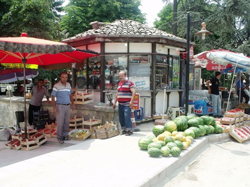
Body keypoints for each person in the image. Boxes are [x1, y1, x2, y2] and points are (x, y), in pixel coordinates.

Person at [51, 72, 75, 144]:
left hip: (67, 105)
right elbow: (53, 97)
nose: (64, 79)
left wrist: (73, 104)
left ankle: (65, 136)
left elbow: (70, 95)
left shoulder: (68, 85)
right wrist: (54, 108)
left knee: (66, 122)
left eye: (66, 77)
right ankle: (60, 137)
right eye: (63, 77)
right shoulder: (56, 86)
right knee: (60, 122)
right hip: (60, 106)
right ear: (60, 78)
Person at [113, 71, 136, 136]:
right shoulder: (119, 83)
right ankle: (124, 129)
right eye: (119, 76)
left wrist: (131, 102)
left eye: (122, 76)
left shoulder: (130, 83)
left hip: (127, 103)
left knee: (127, 116)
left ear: (125, 76)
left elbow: (134, 92)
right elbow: (117, 93)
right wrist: (115, 102)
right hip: (120, 104)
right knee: (121, 117)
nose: (120, 77)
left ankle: (129, 130)